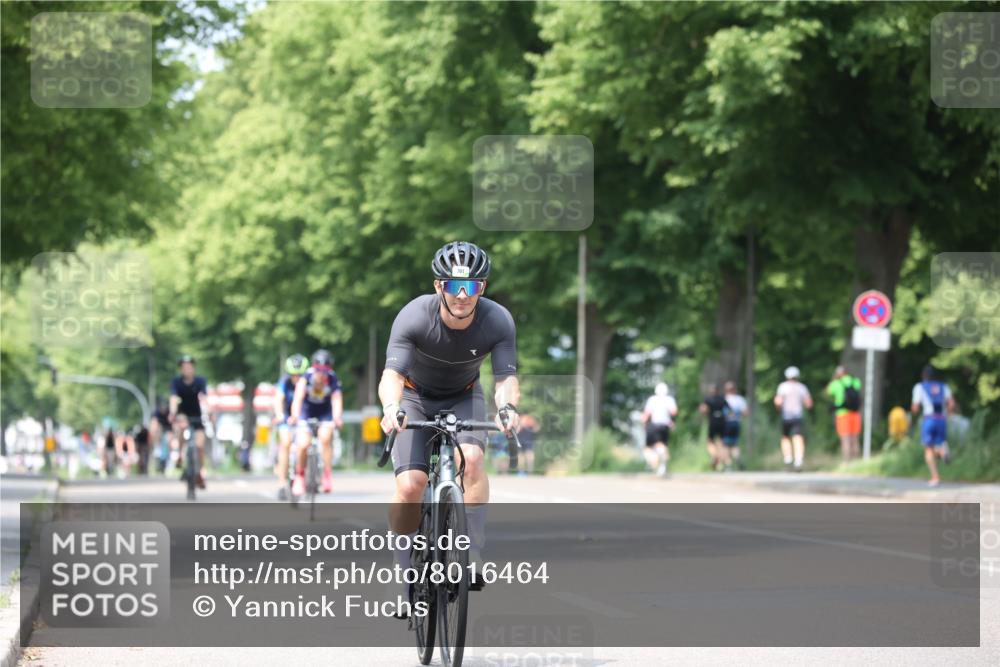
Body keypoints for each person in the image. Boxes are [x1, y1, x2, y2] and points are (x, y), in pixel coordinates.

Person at [379, 241, 519, 600]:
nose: (461, 295)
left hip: (464, 396)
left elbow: (505, 378)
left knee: (471, 460)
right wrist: (391, 408)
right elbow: (391, 376)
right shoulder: (413, 317)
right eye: (453, 285)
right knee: (411, 484)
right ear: (438, 285)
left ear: (482, 288)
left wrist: (508, 409)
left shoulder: (497, 320)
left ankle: (471, 552)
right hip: (413, 397)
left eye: (470, 286)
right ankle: (403, 570)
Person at [289, 349, 344, 495]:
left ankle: (327, 475)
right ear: (314, 368)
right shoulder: (306, 377)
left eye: (325, 371)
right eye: (319, 370)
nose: (321, 374)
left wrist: (337, 418)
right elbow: (298, 398)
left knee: (325, 439)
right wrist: (294, 416)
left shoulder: (333, 379)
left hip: (324, 413)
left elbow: (336, 400)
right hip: (306, 412)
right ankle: (300, 476)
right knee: (303, 444)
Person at [169, 354, 209, 490]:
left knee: (200, 445)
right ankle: (180, 455)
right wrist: (173, 413)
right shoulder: (176, 382)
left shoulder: (200, 381)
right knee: (181, 428)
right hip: (183, 414)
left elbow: (203, 397)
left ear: (193, 368)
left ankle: (200, 473)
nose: (187, 369)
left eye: (189, 366)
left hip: (197, 416)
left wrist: (208, 411)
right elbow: (174, 398)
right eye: (184, 367)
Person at [911, 365, 955, 487]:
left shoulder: (920, 387)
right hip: (942, 419)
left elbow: (915, 407)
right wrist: (949, 414)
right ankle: (942, 451)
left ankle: (935, 477)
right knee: (938, 443)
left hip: (929, 420)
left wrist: (913, 411)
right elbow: (951, 403)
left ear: (923, 376)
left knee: (928, 448)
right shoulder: (943, 386)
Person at [273, 353, 309, 500]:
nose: (297, 378)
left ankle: (309, 474)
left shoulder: (309, 383)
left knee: (305, 444)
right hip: (286, 418)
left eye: (300, 375)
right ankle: (282, 483)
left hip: (303, 417)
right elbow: (278, 399)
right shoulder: (283, 382)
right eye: (294, 375)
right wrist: (280, 414)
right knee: (286, 443)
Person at [774, 366, 812, 471]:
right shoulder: (802, 387)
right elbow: (809, 404)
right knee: (798, 438)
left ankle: (788, 458)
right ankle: (798, 459)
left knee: (785, 438)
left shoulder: (783, 387)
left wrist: (778, 407)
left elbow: (778, 402)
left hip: (786, 416)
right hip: (798, 416)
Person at [825, 365, 862, 461]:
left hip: (842, 414)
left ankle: (847, 461)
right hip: (855, 413)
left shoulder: (836, 383)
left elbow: (828, 391)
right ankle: (856, 462)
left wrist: (834, 378)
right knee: (855, 438)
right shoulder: (855, 381)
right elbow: (858, 389)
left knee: (845, 438)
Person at [641, 382, 677, 477]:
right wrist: (673, 422)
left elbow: (646, 414)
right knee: (662, 444)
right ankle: (662, 463)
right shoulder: (669, 399)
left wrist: (644, 423)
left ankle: (656, 463)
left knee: (649, 448)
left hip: (654, 425)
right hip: (665, 426)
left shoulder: (652, 400)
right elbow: (674, 412)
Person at [700, 383, 729, 471]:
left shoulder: (708, 399)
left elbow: (703, 410)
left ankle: (715, 455)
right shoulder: (722, 398)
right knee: (722, 442)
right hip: (722, 421)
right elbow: (728, 410)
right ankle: (724, 463)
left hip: (712, 421)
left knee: (710, 441)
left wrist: (704, 413)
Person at [722, 381, 748, 470]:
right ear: (735, 389)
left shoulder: (723, 399)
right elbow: (745, 413)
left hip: (726, 424)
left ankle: (728, 465)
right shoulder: (740, 399)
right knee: (735, 444)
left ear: (726, 390)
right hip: (736, 423)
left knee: (725, 445)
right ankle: (738, 459)